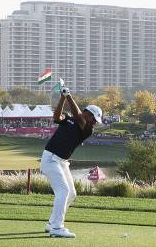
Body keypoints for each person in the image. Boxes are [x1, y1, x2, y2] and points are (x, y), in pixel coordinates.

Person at [40, 86, 103, 238]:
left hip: (61, 162)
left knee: (72, 193)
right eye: (94, 119)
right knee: (63, 191)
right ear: (88, 114)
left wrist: (69, 96)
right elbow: (56, 117)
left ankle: (51, 223)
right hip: (50, 159)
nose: (94, 123)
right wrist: (63, 97)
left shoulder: (87, 129)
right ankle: (56, 227)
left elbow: (79, 116)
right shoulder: (69, 118)